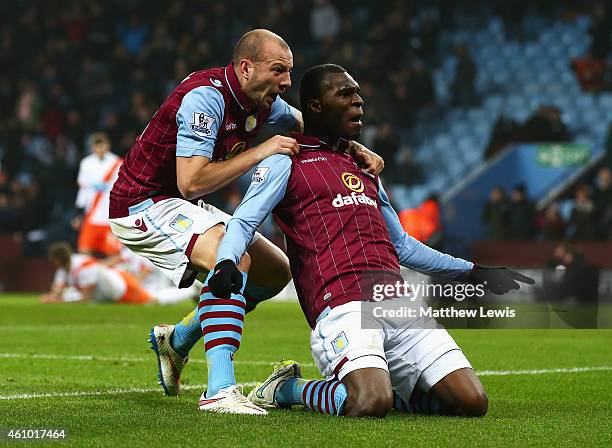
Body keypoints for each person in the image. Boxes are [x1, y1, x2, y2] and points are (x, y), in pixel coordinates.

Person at [208, 64, 534, 418]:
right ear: (315, 106)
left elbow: (403, 246)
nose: (358, 102)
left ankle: (376, 383)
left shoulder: (363, 166)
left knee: (471, 403)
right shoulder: (286, 160)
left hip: (397, 302)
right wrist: (227, 260)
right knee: (369, 402)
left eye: (359, 95)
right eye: (346, 95)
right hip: (341, 305)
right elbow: (244, 221)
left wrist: (474, 273)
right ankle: (289, 388)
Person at [107, 30, 384, 412]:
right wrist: (262, 151)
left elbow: (309, 124)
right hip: (141, 205)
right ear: (245, 68)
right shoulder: (206, 98)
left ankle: (179, 340)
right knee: (233, 257)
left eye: (289, 72)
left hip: (178, 204)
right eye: (278, 71)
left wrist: (353, 147)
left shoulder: (262, 102)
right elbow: (190, 183)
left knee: (273, 271)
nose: (286, 82)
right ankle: (219, 390)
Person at [40, 242, 193, 305]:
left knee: (152, 300)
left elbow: (85, 297)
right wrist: (54, 296)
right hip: (118, 278)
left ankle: (191, 290)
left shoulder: (85, 268)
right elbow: (59, 287)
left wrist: (59, 300)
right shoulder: (69, 268)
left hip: (123, 284)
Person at [75, 132, 123, 257]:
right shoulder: (86, 163)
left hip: (110, 217)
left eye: (102, 145)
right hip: (92, 215)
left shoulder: (117, 163)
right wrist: (78, 213)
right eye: (97, 145)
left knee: (113, 254)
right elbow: (83, 190)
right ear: (92, 147)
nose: (100, 149)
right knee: (84, 251)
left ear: (108, 145)